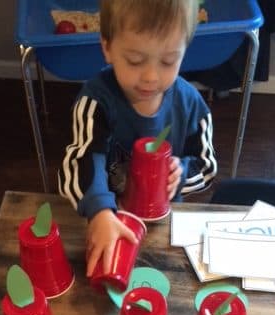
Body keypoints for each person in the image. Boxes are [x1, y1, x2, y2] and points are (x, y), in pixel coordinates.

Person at [58, 0, 217, 278]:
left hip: (164, 225)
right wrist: (99, 211)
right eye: (135, 60)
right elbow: (78, 164)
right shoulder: (96, 102)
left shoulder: (191, 105)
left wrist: (179, 174)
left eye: (168, 61)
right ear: (107, 47)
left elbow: (206, 166)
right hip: (109, 220)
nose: (151, 77)